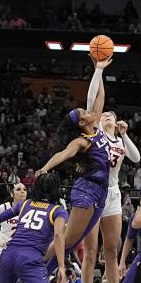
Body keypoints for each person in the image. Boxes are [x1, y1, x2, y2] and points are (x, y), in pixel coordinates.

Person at [35, 56, 112, 262]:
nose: (87, 111)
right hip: (87, 190)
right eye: (83, 112)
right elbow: (63, 154)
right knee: (69, 240)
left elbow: (100, 96)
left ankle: (44, 271)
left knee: (73, 240)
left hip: (100, 190)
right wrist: (45, 168)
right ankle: (36, 264)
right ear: (80, 123)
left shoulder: (95, 126)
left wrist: (99, 70)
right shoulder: (82, 141)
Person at [78, 109, 139, 283]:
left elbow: (136, 157)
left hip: (112, 194)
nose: (107, 117)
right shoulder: (96, 136)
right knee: (91, 251)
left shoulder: (120, 141)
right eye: (103, 115)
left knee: (111, 249)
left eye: (110, 115)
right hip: (94, 192)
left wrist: (124, 134)